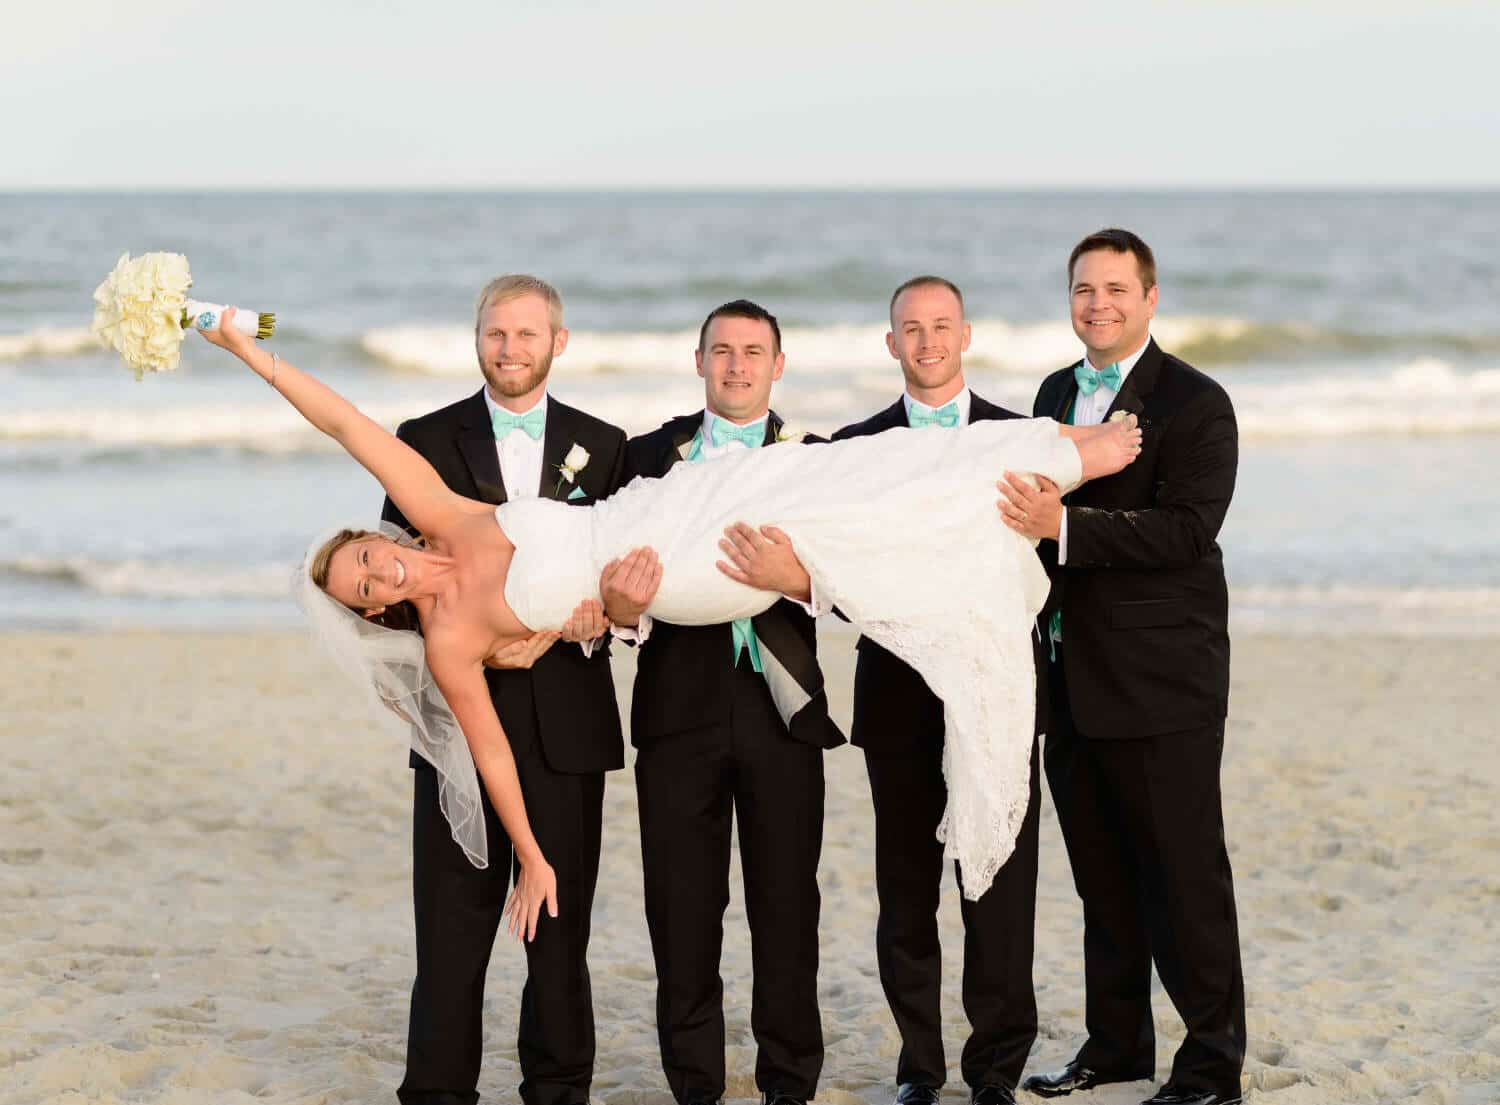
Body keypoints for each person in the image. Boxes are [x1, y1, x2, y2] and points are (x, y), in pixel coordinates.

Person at [194, 290, 1138, 962]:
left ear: (372, 535)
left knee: (824, 477)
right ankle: (1053, 468)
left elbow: (348, 425)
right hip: (669, 577)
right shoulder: (451, 639)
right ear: (372, 610)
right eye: (365, 591)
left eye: (365, 557)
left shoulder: (446, 512)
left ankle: (1043, 458)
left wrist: (248, 348)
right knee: (829, 522)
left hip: (652, 504)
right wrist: (530, 854)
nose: (377, 574)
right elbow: (489, 755)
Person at [1000, 230, 1245, 1105]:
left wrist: (1061, 528)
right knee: (1102, 879)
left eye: (1114, 288)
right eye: (1081, 289)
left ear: (1149, 298)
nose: (1096, 303)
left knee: (1183, 879)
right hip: (1067, 676)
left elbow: (1188, 529)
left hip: (1161, 681)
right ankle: (1117, 1048)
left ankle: (1213, 1064)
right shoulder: (1053, 392)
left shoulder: (1197, 401)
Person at [377, 275, 628, 1105]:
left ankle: (558, 1092)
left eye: (527, 334)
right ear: (476, 339)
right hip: (455, 722)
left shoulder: (607, 443)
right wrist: (459, 639)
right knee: (450, 935)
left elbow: (627, 588)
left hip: (567, 725)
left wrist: (592, 621)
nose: (510, 349)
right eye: (496, 334)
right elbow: (383, 588)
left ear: (559, 341)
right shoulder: (425, 439)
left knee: (558, 932)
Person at [595, 300, 843, 1105]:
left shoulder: (816, 458)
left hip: (785, 711)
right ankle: (695, 1085)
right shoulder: (645, 457)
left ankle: (788, 1084)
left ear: (779, 364)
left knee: (786, 907)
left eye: (753, 352)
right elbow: (610, 588)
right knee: (682, 910)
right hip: (676, 709)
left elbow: (853, 585)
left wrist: (796, 579)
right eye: (723, 352)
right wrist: (622, 612)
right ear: (697, 360)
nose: (737, 366)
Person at [829, 277, 1048, 1105]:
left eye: (941, 327)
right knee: (907, 889)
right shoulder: (855, 447)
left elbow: (1047, 566)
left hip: (996, 696)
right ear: (891, 343)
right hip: (897, 698)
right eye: (910, 329)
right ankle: (920, 1065)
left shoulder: (1016, 437)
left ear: (966, 336)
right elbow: (836, 570)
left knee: (999, 885)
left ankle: (995, 1068)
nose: (926, 342)